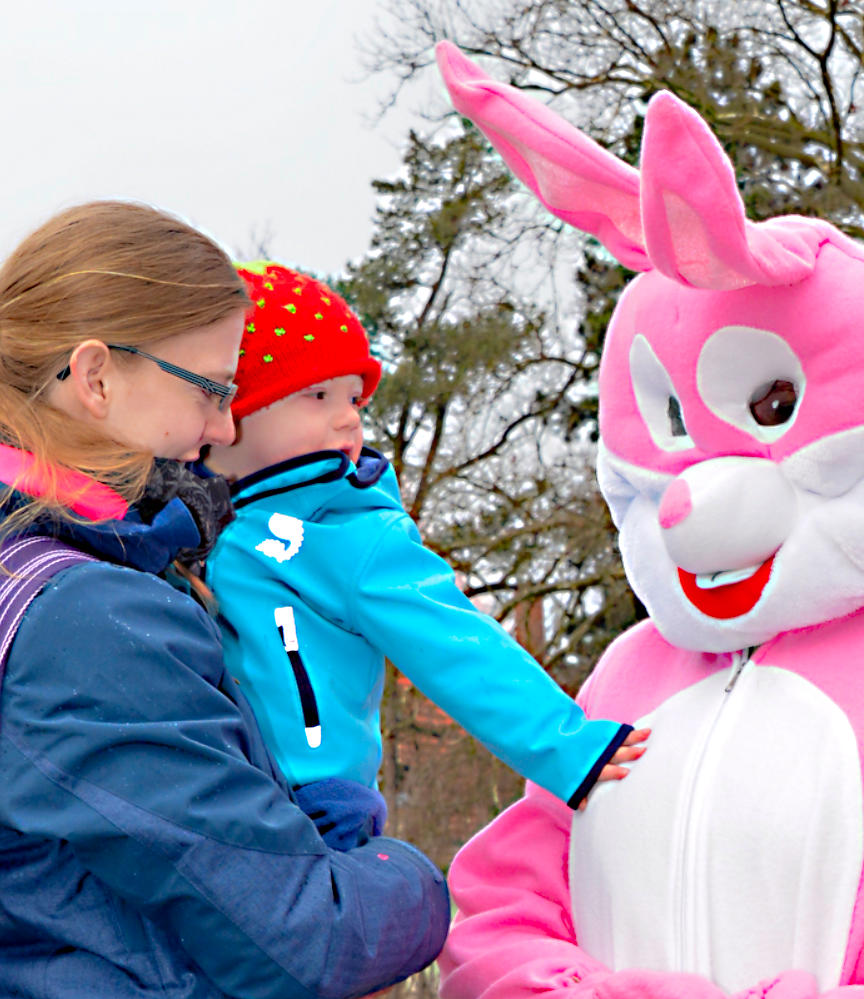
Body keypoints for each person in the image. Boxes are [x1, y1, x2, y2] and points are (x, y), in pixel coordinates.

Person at [433, 43, 864, 999]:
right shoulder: (634, 669)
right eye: (677, 427)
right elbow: (504, 906)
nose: (695, 496)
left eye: (770, 409)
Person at [0, 201, 449, 999]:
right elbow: (298, 939)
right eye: (211, 388)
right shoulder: (88, 617)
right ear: (95, 378)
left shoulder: (46, 582)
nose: (224, 429)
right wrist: (411, 884)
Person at [201, 261, 647, 818]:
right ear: (228, 407)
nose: (348, 421)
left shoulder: (346, 534)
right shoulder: (186, 523)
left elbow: (452, 643)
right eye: (318, 397)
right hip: (211, 793)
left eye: (355, 400)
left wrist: (570, 747)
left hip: (311, 801)